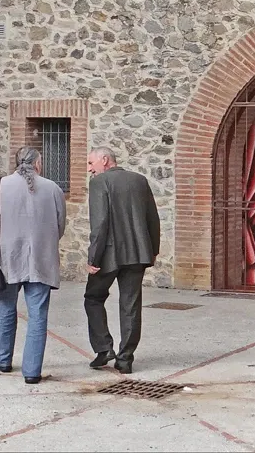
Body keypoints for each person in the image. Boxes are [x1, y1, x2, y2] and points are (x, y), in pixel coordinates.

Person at [0, 146, 66, 384]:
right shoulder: (53, 188)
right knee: (38, 314)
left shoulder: (0, 185)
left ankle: (1, 358)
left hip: (8, 257)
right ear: (38, 164)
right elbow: (60, 225)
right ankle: (31, 371)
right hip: (42, 258)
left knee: (6, 305)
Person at [84, 145, 161, 374]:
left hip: (108, 255)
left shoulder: (100, 183)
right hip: (138, 253)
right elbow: (153, 218)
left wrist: (92, 258)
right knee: (130, 305)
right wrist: (153, 250)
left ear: (105, 160)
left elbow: (99, 224)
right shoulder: (139, 180)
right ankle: (126, 359)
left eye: (91, 163)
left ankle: (104, 348)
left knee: (93, 298)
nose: (89, 169)